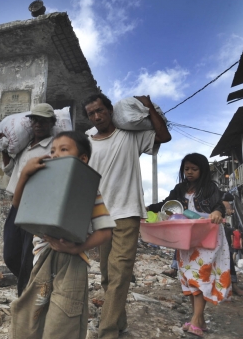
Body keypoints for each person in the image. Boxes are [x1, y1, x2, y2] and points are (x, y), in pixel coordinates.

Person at [10, 131, 115, 339]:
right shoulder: (43, 184)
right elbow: (18, 206)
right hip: (41, 259)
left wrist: (76, 248)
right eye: (52, 151)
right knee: (33, 315)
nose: (55, 154)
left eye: (64, 150)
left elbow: (105, 232)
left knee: (64, 319)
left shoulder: (88, 190)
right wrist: (24, 175)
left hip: (72, 262)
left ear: (82, 159)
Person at [82, 93, 171, 338]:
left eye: (100, 110)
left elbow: (164, 136)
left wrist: (149, 106)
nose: (97, 116)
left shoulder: (130, 134)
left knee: (120, 273)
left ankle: (107, 332)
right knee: (107, 276)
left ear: (110, 110)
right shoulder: (87, 140)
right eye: (91, 113)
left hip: (127, 213)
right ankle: (119, 324)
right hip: (100, 215)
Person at [148, 153, 230, 337]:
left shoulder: (210, 187)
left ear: (202, 170)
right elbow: (165, 205)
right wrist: (147, 208)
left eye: (194, 169)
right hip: (186, 240)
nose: (190, 172)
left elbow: (220, 205)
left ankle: (196, 320)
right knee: (188, 277)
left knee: (200, 275)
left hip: (206, 236)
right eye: (187, 169)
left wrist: (217, 211)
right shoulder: (180, 188)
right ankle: (198, 320)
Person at [2, 103, 57, 296]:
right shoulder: (24, 147)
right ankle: (31, 284)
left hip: (35, 208)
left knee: (27, 255)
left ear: (52, 123)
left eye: (43, 121)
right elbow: (10, 170)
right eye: (35, 120)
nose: (38, 124)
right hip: (16, 205)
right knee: (10, 254)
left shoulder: (54, 147)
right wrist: (3, 149)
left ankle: (25, 295)